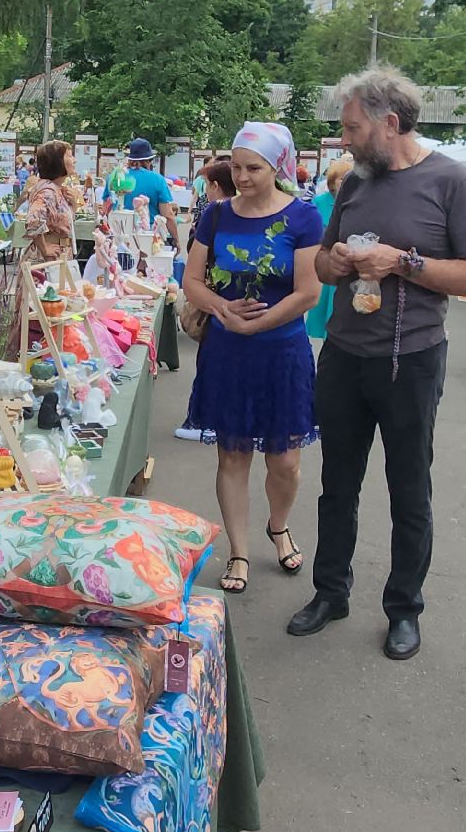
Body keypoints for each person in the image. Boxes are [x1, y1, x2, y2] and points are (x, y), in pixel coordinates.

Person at [294, 67, 466, 661]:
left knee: (409, 489)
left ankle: (404, 609)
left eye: (352, 128)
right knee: (337, 485)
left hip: (412, 359)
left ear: (390, 123)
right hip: (344, 354)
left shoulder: (454, 181)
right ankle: (330, 593)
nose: (344, 140)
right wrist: (337, 263)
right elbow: (322, 262)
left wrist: (401, 261)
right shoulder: (354, 183)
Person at [182, 123, 323, 595]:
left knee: (285, 461)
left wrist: (255, 325)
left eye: (253, 168)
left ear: (277, 167)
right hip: (228, 353)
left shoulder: (303, 218)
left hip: (282, 352)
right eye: (237, 166)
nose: (241, 177)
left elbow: (307, 293)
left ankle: (277, 525)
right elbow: (192, 282)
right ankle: (239, 551)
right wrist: (223, 310)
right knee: (233, 454)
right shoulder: (217, 215)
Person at [174, 157, 234, 444]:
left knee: (210, 361)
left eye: (208, 184)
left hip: (215, 296)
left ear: (216, 185)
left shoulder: (216, 213)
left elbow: (196, 254)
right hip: (230, 297)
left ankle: (204, 419)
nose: (206, 190)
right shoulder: (240, 213)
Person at [16, 139, 78, 348]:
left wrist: (73, 205)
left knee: (53, 314)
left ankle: (49, 353)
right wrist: (45, 247)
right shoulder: (48, 191)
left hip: (57, 257)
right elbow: (33, 220)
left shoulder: (56, 189)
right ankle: (41, 355)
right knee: (45, 314)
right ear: (57, 161)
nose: (74, 159)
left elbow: (61, 223)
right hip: (46, 261)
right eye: (69, 155)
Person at [305, 156, 355, 341]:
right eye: (342, 178)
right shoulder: (319, 202)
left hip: (347, 262)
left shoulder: (356, 202)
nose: (346, 182)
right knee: (325, 307)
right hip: (326, 263)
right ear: (333, 181)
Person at [117, 138, 184, 250]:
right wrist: (176, 239)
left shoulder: (117, 178)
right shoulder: (158, 179)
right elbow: (168, 215)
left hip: (121, 237)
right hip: (150, 238)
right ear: (148, 160)